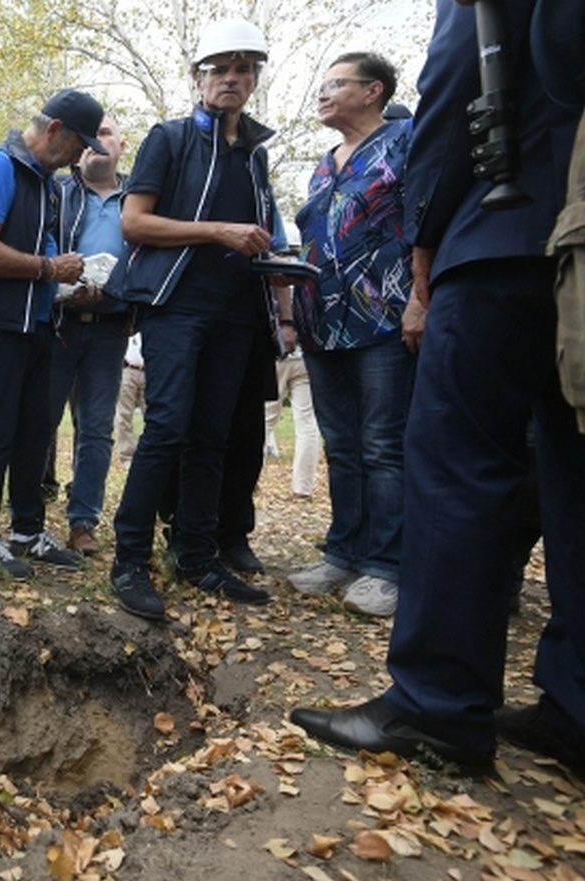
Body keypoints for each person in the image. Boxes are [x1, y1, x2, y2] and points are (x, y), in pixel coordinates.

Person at [290, 0, 585, 779]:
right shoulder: (322, 167)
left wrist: (425, 254)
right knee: (573, 468)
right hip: (574, 231)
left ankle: (437, 705)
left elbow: (458, 92)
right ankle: (575, 708)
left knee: (456, 463)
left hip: (503, 232)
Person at [105, 19, 291, 619]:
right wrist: (218, 231)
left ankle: (196, 554)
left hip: (238, 314)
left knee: (215, 437)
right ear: (199, 78)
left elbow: (259, 232)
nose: (232, 79)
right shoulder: (170, 138)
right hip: (176, 307)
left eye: (244, 69)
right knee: (166, 430)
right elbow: (133, 223)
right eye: (220, 69)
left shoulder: (255, 156)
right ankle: (129, 560)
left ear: (255, 79)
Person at [0, 89, 107, 579]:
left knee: (35, 431)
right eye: (80, 145)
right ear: (55, 129)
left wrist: (69, 285)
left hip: (39, 324)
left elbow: (44, 258)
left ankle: (27, 530)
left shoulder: (49, 184)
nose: (82, 157)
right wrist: (47, 268)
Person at [285, 52, 414, 618]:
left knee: (384, 446)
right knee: (342, 446)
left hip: (385, 317)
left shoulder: (407, 141)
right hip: (321, 324)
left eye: (337, 84)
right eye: (324, 82)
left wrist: (423, 300)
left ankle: (387, 567)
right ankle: (344, 551)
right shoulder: (323, 161)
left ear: (373, 91)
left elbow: (428, 223)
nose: (324, 93)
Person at [47, 115, 131, 556]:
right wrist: (61, 290)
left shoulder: (139, 198)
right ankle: (30, 519)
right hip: (58, 326)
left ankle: (83, 523)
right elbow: (40, 243)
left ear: (122, 144)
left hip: (112, 329)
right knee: (40, 422)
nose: (96, 142)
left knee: (96, 429)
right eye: (89, 135)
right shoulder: (57, 192)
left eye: (105, 134)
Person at [263, 348, 321, 497]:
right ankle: (303, 488)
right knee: (307, 423)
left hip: (276, 355)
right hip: (305, 357)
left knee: (265, 420)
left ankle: (250, 479)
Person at [114, 332, 144, 465]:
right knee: (123, 415)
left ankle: (146, 453)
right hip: (127, 369)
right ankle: (127, 456)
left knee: (152, 415)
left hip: (149, 370)